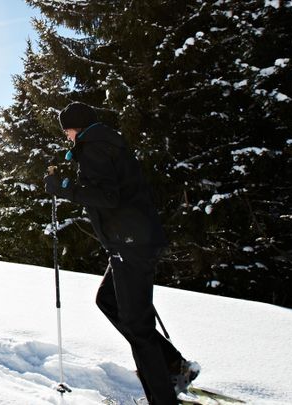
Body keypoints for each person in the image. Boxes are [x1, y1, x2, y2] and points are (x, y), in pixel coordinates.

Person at [44, 102, 197, 404]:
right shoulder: (102, 143)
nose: (67, 137)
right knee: (108, 300)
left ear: (76, 127)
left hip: (131, 245)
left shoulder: (94, 147)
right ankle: (174, 366)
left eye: (67, 131)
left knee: (138, 326)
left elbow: (107, 196)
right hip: (130, 243)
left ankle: (163, 397)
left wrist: (64, 187)